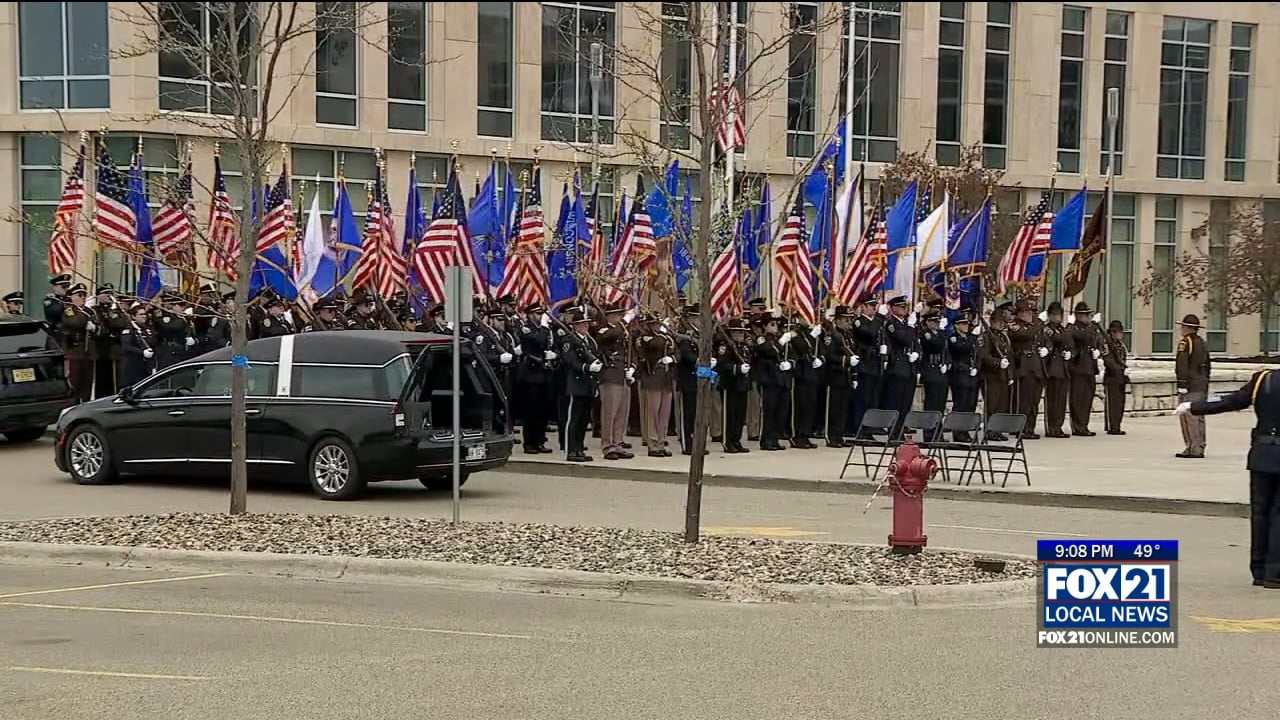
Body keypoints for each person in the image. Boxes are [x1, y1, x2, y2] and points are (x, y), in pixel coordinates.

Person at [1177, 370, 1280, 588]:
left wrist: (1194, 407)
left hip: (1261, 453)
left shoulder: (1264, 378)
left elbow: (1232, 401)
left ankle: (1259, 570)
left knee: (1260, 513)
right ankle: (1275, 573)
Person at [560, 307, 602, 462]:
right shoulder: (569, 340)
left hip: (588, 384)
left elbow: (595, 357)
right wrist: (587, 367)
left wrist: (595, 381)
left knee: (584, 419)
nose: (586, 326)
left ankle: (579, 449)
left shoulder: (589, 341)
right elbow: (570, 361)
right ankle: (571, 450)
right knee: (574, 418)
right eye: (582, 324)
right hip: (576, 383)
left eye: (587, 323)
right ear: (575, 325)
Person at [594, 303, 634, 460]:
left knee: (622, 413)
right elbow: (607, 337)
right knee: (609, 412)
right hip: (610, 375)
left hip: (623, 375)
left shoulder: (623, 331)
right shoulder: (603, 330)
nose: (619, 317)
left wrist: (632, 367)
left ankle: (618, 443)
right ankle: (608, 445)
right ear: (609, 316)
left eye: (621, 315)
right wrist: (625, 321)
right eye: (617, 315)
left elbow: (630, 351)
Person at [636, 310, 676, 457]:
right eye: (653, 324)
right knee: (652, 412)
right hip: (652, 377)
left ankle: (661, 441)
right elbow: (654, 345)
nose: (657, 326)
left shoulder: (666, 337)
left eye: (658, 324)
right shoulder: (644, 338)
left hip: (666, 378)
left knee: (664, 412)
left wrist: (672, 359)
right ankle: (652, 443)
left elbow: (676, 351)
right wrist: (664, 334)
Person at [517, 301, 554, 454]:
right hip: (530, 374)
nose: (540, 317)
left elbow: (548, 343)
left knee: (542, 410)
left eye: (541, 314)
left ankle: (540, 440)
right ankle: (529, 443)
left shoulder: (544, 330)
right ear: (530, 315)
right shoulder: (525, 329)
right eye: (537, 314)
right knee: (531, 411)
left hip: (543, 374)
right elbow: (536, 341)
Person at [1009, 298, 1048, 439]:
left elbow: (1045, 340)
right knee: (1023, 401)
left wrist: (1046, 349)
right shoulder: (1015, 326)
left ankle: (1030, 428)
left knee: (1034, 401)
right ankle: (1021, 428)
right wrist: (1040, 322)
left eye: (1031, 312)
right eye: (1026, 312)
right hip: (1024, 367)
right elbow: (1025, 335)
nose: (1030, 315)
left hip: (1036, 366)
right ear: (1019, 314)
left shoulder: (1035, 326)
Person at [1175, 313, 1210, 458]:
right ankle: (1200, 445)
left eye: (1183, 327)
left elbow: (1181, 365)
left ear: (1187, 328)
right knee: (1199, 416)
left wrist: (1182, 384)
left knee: (1188, 417)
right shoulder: (1202, 342)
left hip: (1190, 385)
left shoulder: (1185, 343)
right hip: (1201, 384)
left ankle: (1192, 447)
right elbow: (1208, 365)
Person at [881, 295, 918, 434]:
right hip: (897, 367)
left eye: (905, 307)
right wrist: (910, 326)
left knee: (906, 401)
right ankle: (893, 429)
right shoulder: (892, 324)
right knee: (895, 401)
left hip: (909, 367)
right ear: (893, 308)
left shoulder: (906, 324)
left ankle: (901, 426)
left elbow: (915, 341)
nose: (904, 309)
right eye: (901, 307)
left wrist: (916, 353)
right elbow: (904, 339)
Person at [849, 294, 884, 435]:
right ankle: (859, 428)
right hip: (864, 363)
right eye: (871, 306)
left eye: (875, 306)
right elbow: (870, 334)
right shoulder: (859, 322)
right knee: (863, 398)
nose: (874, 309)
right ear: (863, 307)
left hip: (875, 363)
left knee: (873, 398)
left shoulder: (877, 321)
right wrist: (879, 318)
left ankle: (870, 426)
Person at [822, 305, 856, 448]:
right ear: (837, 320)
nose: (849, 323)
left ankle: (839, 435)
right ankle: (831, 437)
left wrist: (854, 376)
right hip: (834, 376)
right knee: (833, 409)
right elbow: (829, 356)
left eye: (850, 320)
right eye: (845, 320)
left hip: (845, 376)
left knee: (843, 409)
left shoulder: (847, 336)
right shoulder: (832, 335)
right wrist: (846, 361)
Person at [1068, 302, 1104, 436]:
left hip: (1090, 368)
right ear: (1078, 316)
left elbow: (1099, 340)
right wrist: (1094, 324)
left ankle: (1084, 425)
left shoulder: (1091, 328)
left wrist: (1098, 350)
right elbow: (1082, 337)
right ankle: (1077, 426)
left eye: (1089, 315)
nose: (1088, 317)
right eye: (1085, 315)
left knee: (1087, 399)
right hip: (1078, 368)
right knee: (1077, 399)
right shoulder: (1073, 328)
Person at [716, 318, 752, 453]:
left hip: (742, 384)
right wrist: (737, 368)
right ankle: (728, 441)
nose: (740, 334)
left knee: (740, 416)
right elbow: (722, 364)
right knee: (730, 415)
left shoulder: (743, 346)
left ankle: (737, 440)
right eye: (737, 332)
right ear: (731, 333)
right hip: (729, 385)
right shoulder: (725, 346)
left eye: (742, 332)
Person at [784, 312, 819, 449]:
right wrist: (812, 336)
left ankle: (805, 434)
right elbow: (802, 346)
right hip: (800, 374)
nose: (809, 319)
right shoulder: (793, 333)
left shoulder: (811, 333)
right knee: (799, 406)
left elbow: (819, 349)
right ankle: (796, 435)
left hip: (811, 373)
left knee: (810, 407)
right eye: (805, 316)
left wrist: (820, 360)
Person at [674, 303, 704, 456]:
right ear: (691, 318)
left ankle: (697, 443)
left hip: (699, 380)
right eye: (697, 318)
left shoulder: (701, 335)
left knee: (698, 414)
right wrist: (701, 361)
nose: (700, 321)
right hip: (688, 380)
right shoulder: (685, 336)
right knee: (688, 413)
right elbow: (687, 355)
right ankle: (687, 444)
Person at [90, 284, 128, 398]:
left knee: (116, 380)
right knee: (102, 380)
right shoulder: (95, 311)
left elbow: (122, 323)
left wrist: (113, 311)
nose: (109, 296)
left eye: (110, 293)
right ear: (99, 296)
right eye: (106, 293)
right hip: (101, 349)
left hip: (115, 348)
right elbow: (101, 329)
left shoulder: (115, 310)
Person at [60, 284, 95, 403]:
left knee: (87, 384)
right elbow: (75, 322)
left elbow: (101, 327)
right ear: (72, 297)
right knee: (75, 383)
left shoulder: (89, 311)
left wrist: (95, 328)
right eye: (79, 295)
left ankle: (85, 404)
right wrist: (85, 317)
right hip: (75, 352)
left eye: (84, 295)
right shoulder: (69, 310)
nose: (83, 298)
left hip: (89, 353)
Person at [979, 306, 1013, 425]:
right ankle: (990, 429)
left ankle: (997, 429)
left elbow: (1009, 355)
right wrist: (997, 363)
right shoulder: (986, 336)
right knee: (992, 404)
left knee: (1001, 404)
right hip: (990, 376)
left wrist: (1010, 374)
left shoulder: (1003, 337)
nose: (1001, 324)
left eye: (1002, 322)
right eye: (998, 322)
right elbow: (984, 356)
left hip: (1002, 375)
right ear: (992, 322)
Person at [1041, 301, 1070, 438]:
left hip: (1063, 368)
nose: (1059, 317)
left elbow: (1069, 342)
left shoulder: (1062, 329)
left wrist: (1069, 352)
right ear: (1050, 315)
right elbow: (1058, 339)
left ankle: (1058, 426)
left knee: (1061, 401)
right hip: (1052, 368)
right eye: (1056, 315)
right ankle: (1051, 427)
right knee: (1052, 400)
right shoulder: (1047, 329)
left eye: (1060, 314)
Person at [948, 309, 980, 421]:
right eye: (963, 324)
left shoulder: (970, 338)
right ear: (956, 325)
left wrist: (976, 367)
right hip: (960, 373)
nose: (966, 326)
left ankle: (967, 426)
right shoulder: (953, 338)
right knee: (961, 403)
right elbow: (961, 348)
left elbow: (977, 353)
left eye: (967, 323)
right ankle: (958, 427)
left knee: (971, 403)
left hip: (971, 374)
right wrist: (973, 337)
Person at [918, 308, 949, 415]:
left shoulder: (940, 335)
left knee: (941, 401)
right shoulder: (925, 334)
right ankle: (929, 424)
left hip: (941, 370)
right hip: (930, 369)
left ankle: (938, 422)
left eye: (938, 321)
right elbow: (937, 346)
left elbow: (946, 351)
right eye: (935, 321)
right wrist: (943, 332)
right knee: (932, 400)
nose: (937, 324)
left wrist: (946, 363)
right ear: (928, 322)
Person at [119, 303, 156, 388]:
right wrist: (142, 352)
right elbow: (126, 347)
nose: (144, 316)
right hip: (133, 366)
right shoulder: (129, 330)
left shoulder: (147, 329)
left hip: (146, 366)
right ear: (133, 316)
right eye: (141, 314)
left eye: (145, 314)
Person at [1102, 320, 1129, 435]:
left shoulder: (1121, 346)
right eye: (1118, 332)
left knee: (1119, 404)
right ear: (1112, 333)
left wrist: (1123, 371)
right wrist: (1118, 369)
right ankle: (1111, 426)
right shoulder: (1107, 345)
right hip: (1111, 377)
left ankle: (1117, 425)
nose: (1120, 334)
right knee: (1112, 403)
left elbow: (1123, 359)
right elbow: (1108, 361)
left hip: (1120, 377)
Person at [43, 273, 72, 345]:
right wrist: (65, 305)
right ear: (55, 287)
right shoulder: (50, 300)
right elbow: (53, 312)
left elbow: (70, 315)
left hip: (68, 335)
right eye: (64, 286)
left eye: (68, 286)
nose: (66, 289)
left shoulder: (68, 300)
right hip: (56, 335)